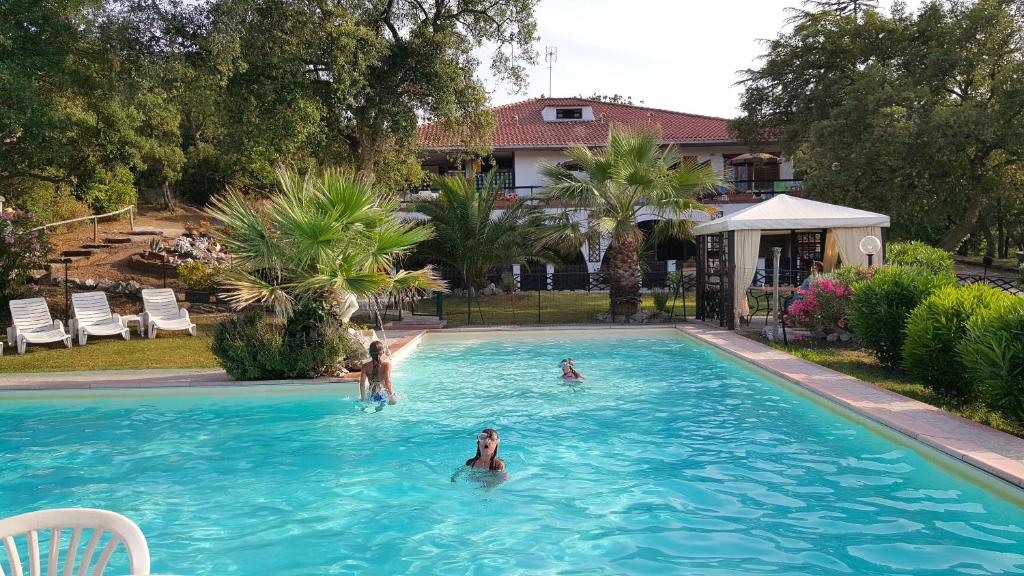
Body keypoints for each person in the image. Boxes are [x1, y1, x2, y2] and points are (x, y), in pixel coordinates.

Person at [359, 341, 397, 407]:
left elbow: (362, 383)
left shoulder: (365, 366)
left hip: (371, 393)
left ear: (370, 353)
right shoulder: (386, 365)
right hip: (382, 393)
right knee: (380, 407)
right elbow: (387, 381)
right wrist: (391, 396)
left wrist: (363, 398)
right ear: (382, 352)